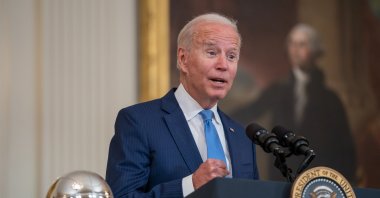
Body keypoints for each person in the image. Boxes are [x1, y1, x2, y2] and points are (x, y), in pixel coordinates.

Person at [106, 13, 260, 197]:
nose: (223, 65)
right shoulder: (139, 122)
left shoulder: (242, 136)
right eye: (211, 52)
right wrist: (190, 185)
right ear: (183, 59)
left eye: (232, 56)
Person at [232, 24, 357, 183]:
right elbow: (251, 111)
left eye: (302, 44)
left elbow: (345, 148)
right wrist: (220, 117)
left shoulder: (330, 100)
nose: (295, 50)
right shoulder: (278, 90)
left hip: (319, 180)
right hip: (282, 177)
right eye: (292, 43)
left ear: (314, 51)